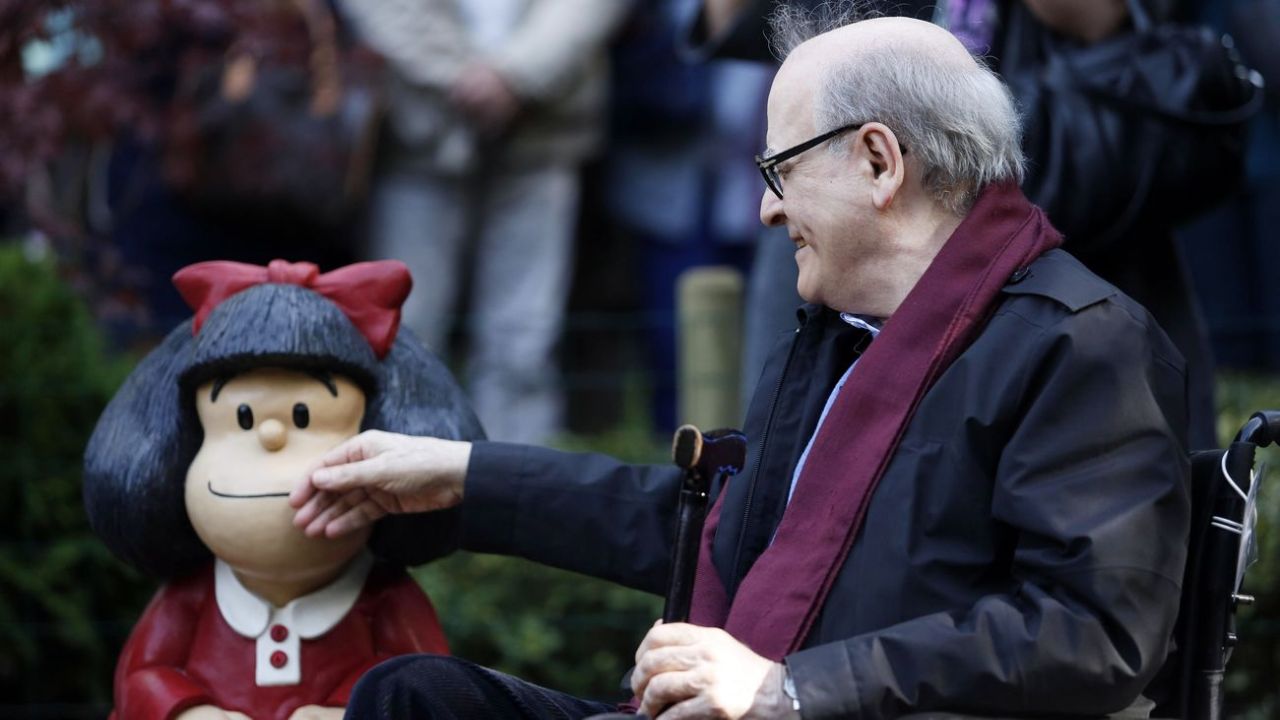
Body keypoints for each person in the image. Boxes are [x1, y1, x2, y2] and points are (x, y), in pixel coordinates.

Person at [290, 12, 1191, 719]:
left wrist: (787, 690)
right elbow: (716, 533)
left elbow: (1092, 632)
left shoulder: (1081, 342)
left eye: (780, 169)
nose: (766, 211)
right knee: (412, 698)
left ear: (879, 161)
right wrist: (464, 476)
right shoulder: (839, 337)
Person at [83, 259, 484, 720]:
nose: (272, 439)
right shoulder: (193, 596)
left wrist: (347, 712)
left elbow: (429, 684)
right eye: (243, 419)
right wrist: (186, 711)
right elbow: (141, 675)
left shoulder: (384, 596)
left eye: (303, 418)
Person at [337, 0, 631, 445]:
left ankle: (517, 490)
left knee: (524, 343)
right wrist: (462, 75)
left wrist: (518, 74)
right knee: (405, 333)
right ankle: (392, 482)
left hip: (542, 131)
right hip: (419, 134)